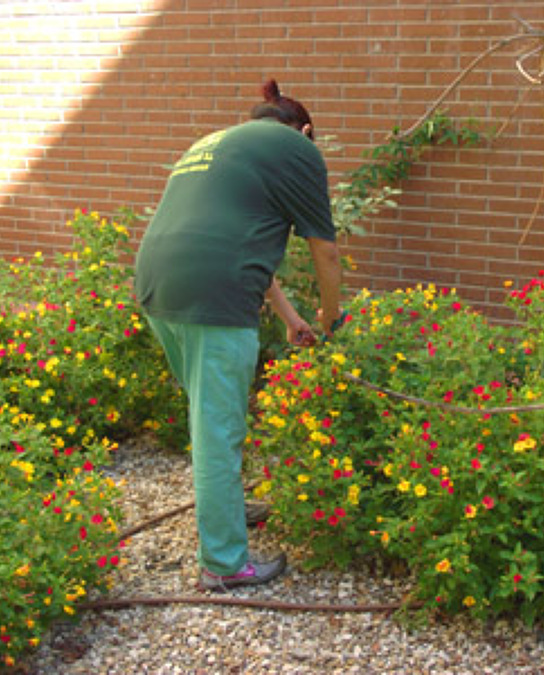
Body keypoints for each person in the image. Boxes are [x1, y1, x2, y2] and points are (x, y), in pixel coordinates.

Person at [134, 79, 342, 590]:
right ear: (304, 131)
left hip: (159, 285)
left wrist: (290, 317)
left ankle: (226, 509)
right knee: (218, 429)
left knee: (212, 415)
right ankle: (224, 565)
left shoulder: (216, 142)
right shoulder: (297, 148)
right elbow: (325, 250)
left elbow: (234, 241)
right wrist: (332, 320)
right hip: (215, 296)